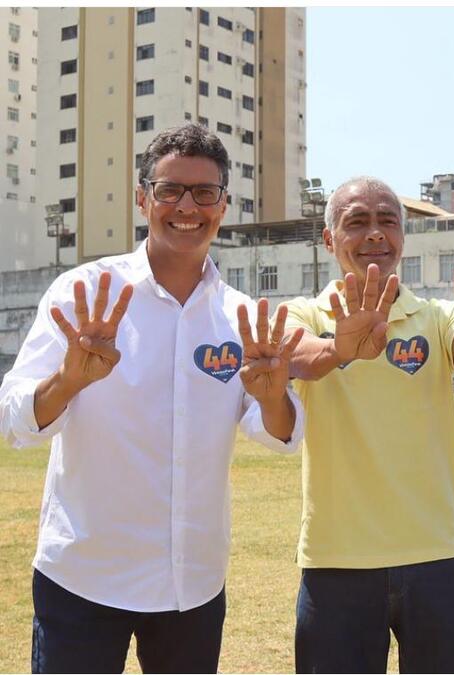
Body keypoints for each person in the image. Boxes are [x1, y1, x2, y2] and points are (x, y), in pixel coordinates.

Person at [0, 123, 305, 674]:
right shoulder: (84, 293)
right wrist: (68, 381)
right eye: (169, 190)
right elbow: (15, 418)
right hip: (86, 577)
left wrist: (274, 395)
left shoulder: (238, 314)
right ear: (144, 199)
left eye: (204, 192)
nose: (186, 206)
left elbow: (281, 435)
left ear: (223, 206)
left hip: (192, 583)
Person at [283, 177, 454, 674]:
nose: (375, 234)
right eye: (357, 222)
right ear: (329, 240)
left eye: (387, 221)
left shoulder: (436, 316)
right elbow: (297, 359)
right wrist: (339, 348)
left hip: (437, 558)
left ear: (402, 238)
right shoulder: (304, 314)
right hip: (336, 563)